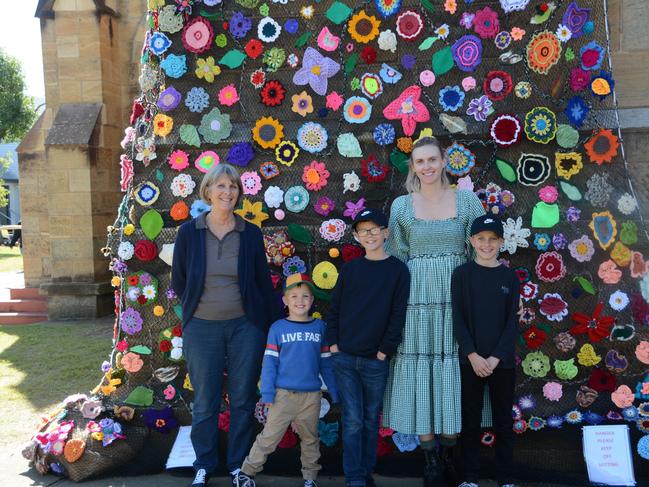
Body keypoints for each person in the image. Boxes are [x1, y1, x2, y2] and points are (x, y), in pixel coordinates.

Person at [381, 136, 485, 487]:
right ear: (413, 167)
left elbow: (480, 253)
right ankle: (430, 459)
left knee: (454, 368)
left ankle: (451, 453)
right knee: (421, 369)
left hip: (458, 297)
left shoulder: (467, 201)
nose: (426, 166)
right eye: (419, 161)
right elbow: (395, 256)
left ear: (444, 162)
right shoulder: (401, 207)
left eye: (432, 160)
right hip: (417, 301)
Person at [171, 163, 280, 487]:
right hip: (202, 328)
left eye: (232, 187)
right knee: (204, 400)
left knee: (243, 398)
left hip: (244, 328)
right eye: (220, 186)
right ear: (208, 191)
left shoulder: (250, 234)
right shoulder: (189, 233)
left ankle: (237, 465)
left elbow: (262, 282)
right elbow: (179, 280)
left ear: (238, 194)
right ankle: (204, 464)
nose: (227, 192)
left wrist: (271, 327)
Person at [326, 208, 410, 487]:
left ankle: (366, 471)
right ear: (356, 236)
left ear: (386, 233)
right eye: (364, 231)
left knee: (371, 419)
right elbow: (334, 308)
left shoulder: (398, 270)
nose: (370, 235)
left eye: (375, 229)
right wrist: (335, 345)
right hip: (345, 357)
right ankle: (354, 478)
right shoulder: (350, 269)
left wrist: (384, 350)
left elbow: (398, 314)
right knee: (352, 420)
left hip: (376, 359)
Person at [234, 273, 338, 487]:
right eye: (294, 296)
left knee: (310, 440)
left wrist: (335, 390)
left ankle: (310, 478)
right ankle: (246, 472)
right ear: (285, 300)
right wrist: (268, 393)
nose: (300, 301)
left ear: (312, 300)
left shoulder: (319, 327)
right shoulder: (278, 328)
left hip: (311, 396)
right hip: (282, 396)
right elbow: (270, 364)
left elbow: (326, 363)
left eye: (305, 296)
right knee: (269, 437)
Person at [452, 215, 520, 487]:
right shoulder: (462, 275)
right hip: (471, 362)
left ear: (501, 242)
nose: (487, 244)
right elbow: (457, 318)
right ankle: (469, 477)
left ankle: (505, 478)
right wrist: (472, 355)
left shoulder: (510, 277)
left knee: (503, 421)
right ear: (472, 241)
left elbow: (512, 322)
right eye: (481, 239)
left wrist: (494, 358)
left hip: (500, 364)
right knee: (471, 421)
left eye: (492, 239)